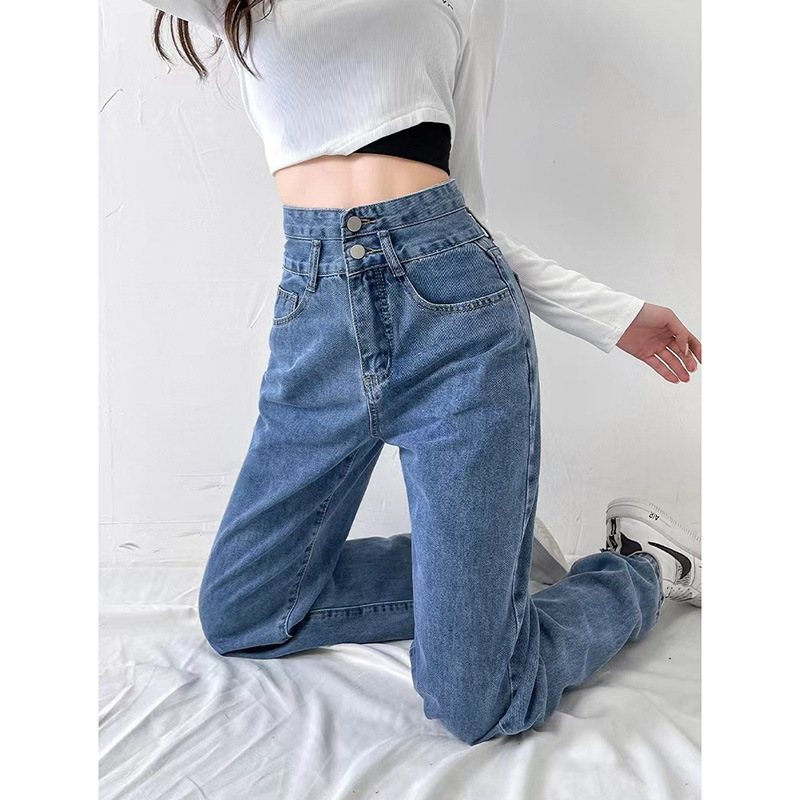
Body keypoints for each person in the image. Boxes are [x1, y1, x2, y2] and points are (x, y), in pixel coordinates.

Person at [134, 0, 702, 745]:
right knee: (242, 611)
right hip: (315, 314)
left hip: (454, 312)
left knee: (478, 702)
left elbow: (466, 207)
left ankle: (640, 569)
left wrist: (609, 314)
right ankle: (505, 569)